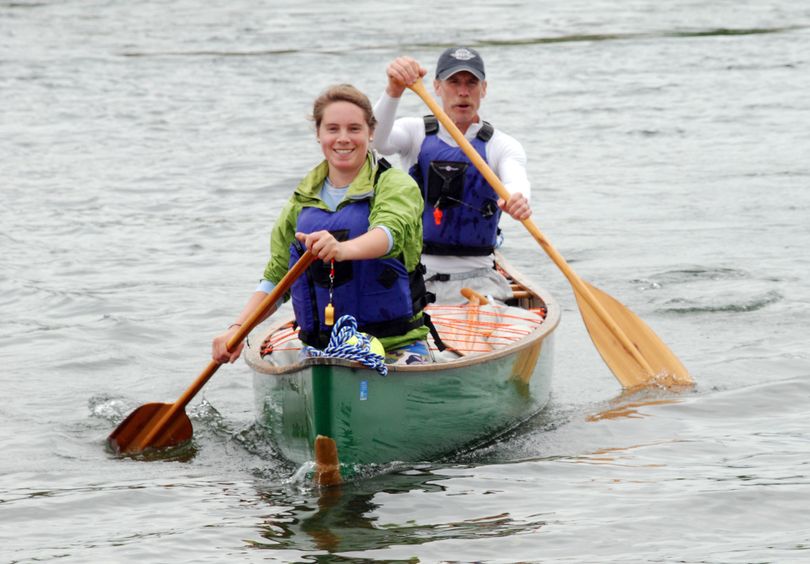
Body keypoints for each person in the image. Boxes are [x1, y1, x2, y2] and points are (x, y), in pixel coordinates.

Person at [212, 84, 431, 366]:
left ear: (371, 132)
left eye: (354, 128)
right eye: (332, 129)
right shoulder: (301, 201)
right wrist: (238, 329)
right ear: (318, 134)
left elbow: (388, 234)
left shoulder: (395, 184)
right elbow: (278, 276)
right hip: (320, 352)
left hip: (394, 345)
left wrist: (341, 249)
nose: (343, 139)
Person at [372, 46, 532, 304]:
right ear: (436, 87)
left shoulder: (502, 145)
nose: (463, 91)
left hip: (480, 276)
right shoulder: (415, 133)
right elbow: (377, 141)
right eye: (453, 82)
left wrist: (519, 199)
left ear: (484, 89)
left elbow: (517, 181)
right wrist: (394, 89)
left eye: (471, 83)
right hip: (418, 273)